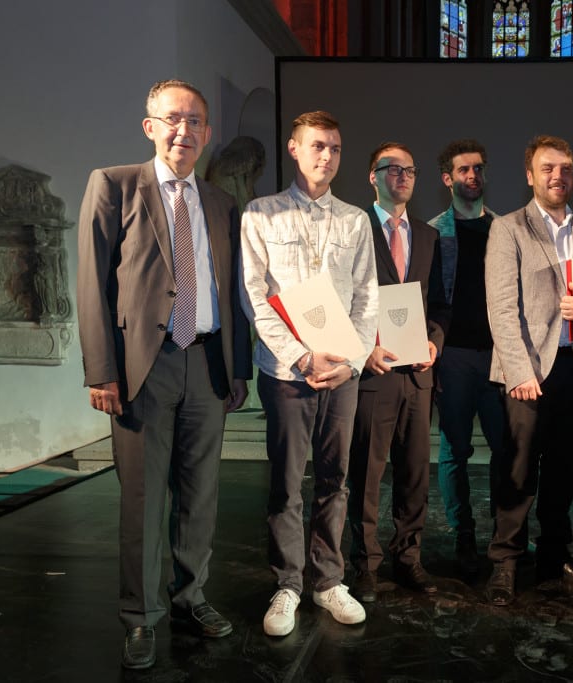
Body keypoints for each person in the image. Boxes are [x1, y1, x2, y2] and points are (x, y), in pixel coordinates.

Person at [76, 79, 251, 670]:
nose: (185, 130)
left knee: (200, 496)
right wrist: (101, 370)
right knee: (145, 501)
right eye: (173, 119)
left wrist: (238, 369)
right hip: (141, 369)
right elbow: (93, 285)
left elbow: (234, 292)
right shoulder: (114, 185)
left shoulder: (223, 202)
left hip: (206, 362)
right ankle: (140, 616)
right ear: (149, 125)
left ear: (207, 131)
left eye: (196, 120)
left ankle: (189, 596)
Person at [239, 110, 378, 637]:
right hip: (286, 372)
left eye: (335, 148)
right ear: (294, 149)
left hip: (342, 373)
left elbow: (367, 297)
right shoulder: (262, 213)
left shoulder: (354, 219)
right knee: (285, 481)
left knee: (334, 479)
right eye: (317, 146)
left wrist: (352, 361)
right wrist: (301, 356)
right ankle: (288, 584)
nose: (326, 156)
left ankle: (327, 581)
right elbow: (255, 296)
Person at [483, 135, 573, 606]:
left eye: (567, 168)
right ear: (530, 175)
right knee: (517, 470)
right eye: (549, 168)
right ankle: (506, 561)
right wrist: (518, 371)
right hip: (527, 372)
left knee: (563, 469)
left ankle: (555, 555)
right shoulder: (509, 228)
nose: (559, 176)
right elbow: (501, 307)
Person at [347, 142, 449, 602]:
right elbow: (340, 298)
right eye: (392, 169)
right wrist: (362, 348)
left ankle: (408, 558)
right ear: (373, 176)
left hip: (417, 375)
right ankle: (363, 563)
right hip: (374, 371)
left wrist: (435, 342)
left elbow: (439, 306)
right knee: (366, 471)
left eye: (409, 169)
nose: (402, 176)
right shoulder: (354, 229)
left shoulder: (428, 236)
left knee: (415, 473)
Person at [428, 139, 504, 575]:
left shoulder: (505, 229)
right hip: (453, 357)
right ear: (447, 179)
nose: (472, 176)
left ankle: (501, 532)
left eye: (478, 168)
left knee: (503, 448)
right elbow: (427, 301)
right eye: (463, 170)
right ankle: (463, 533)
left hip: (497, 357)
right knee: (454, 450)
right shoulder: (434, 231)